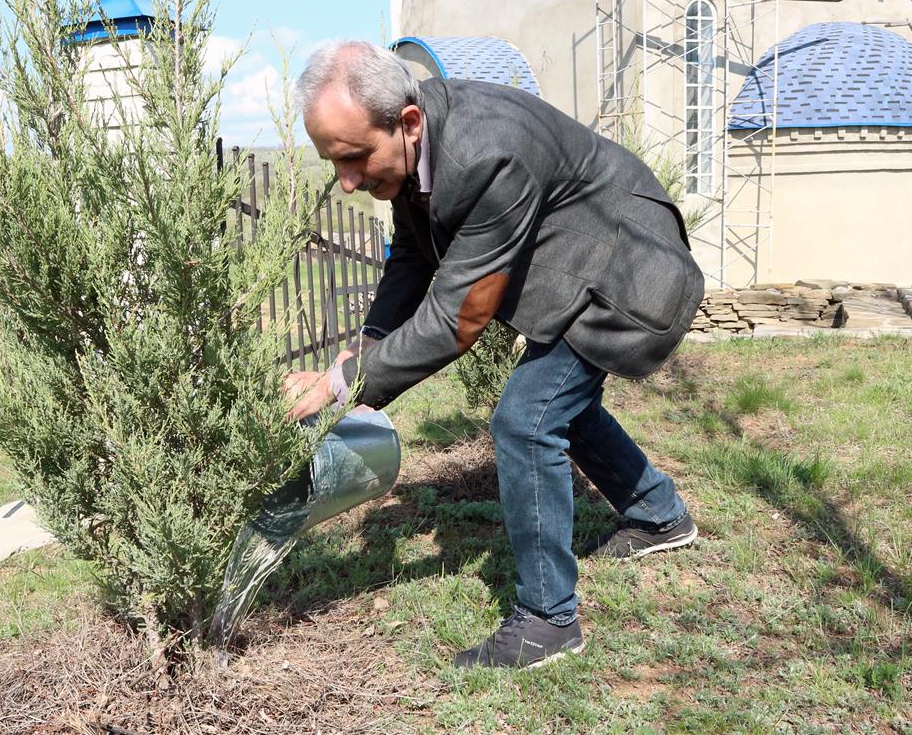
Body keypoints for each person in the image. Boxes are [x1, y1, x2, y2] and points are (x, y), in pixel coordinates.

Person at [283, 40, 705, 670]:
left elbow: (461, 316)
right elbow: (411, 257)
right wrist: (363, 347)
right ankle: (658, 514)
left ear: (407, 122)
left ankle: (547, 621)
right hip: (578, 271)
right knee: (562, 407)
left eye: (353, 158)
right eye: (332, 163)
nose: (346, 181)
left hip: (629, 272)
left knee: (527, 419)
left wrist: (343, 385)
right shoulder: (413, 154)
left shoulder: (486, 151)